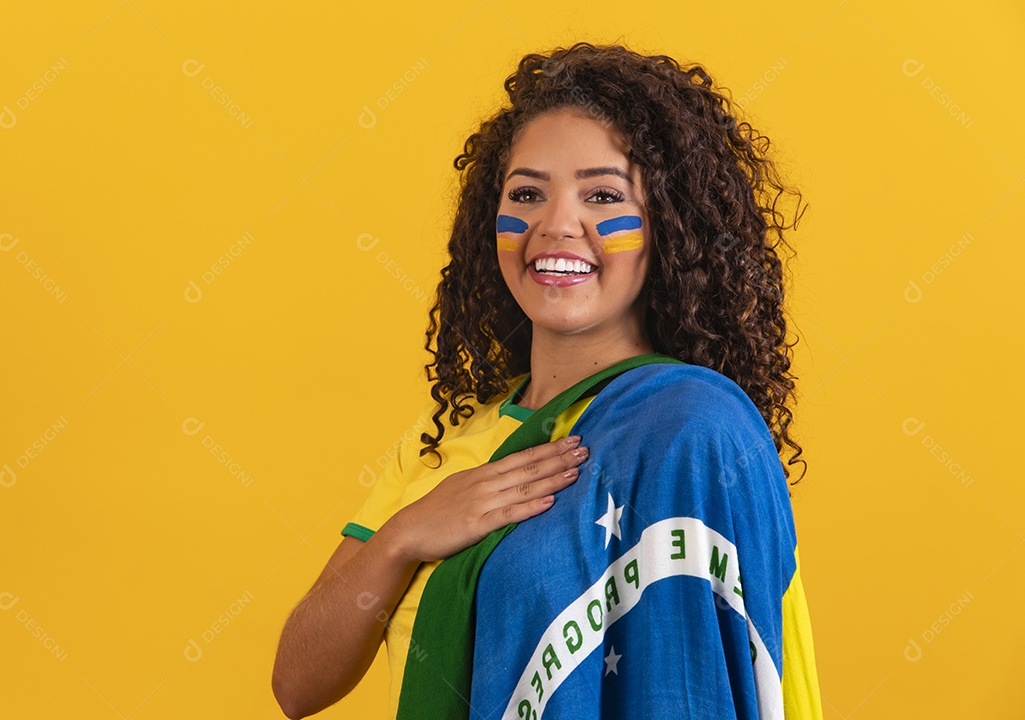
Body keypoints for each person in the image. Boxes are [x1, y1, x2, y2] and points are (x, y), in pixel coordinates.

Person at [272, 42, 821, 719]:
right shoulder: (444, 443)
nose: (556, 224)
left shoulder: (695, 430)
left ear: (668, 227)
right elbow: (297, 686)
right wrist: (407, 534)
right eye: (527, 193)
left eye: (603, 195)